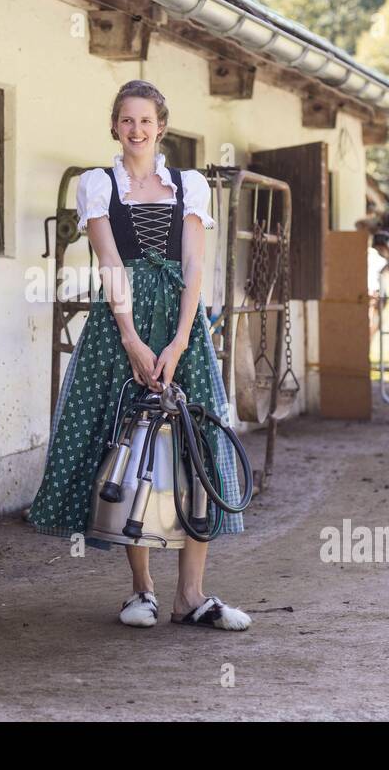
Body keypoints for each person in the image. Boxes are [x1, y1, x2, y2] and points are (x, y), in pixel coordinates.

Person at [28, 79, 251, 631]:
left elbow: (196, 266)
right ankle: (143, 591)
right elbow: (110, 264)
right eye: (127, 120)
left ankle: (192, 596)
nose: (136, 129)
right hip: (120, 325)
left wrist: (178, 340)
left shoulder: (189, 185)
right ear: (114, 126)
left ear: (161, 127)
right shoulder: (97, 184)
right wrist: (131, 338)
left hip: (182, 326)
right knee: (129, 446)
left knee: (194, 445)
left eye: (145, 120)